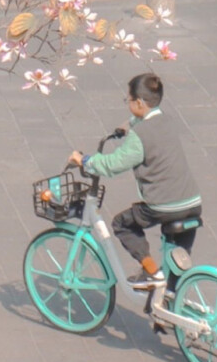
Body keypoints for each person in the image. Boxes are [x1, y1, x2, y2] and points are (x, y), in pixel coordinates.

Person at [69, 72, 202, 294]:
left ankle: (150, 271)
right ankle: (169, 302)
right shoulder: (166, 120)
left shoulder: (139, 136)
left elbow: (113, 164)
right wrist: (128, 124)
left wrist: (84, 160)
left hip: (163, 205)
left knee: (123, 224)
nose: (127, 103)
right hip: (191, 202)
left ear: (139, 102)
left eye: (128, 100)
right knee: (175, 265)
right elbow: (145, 123)